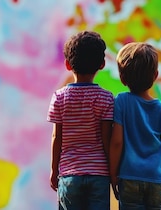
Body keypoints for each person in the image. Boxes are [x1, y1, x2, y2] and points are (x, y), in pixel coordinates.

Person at [47, 31, 114, 210]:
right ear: (102, 64)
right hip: (99, 176)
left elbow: (57, 138)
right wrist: (114, 173)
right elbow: (107, 140)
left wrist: (54, 170)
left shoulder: (59, 98)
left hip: (70, 175)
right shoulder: (106, 98)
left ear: (67, 65)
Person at [109, 42, 161, 209]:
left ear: (122, 78)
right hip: (159, 180)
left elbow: (117, 142)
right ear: (155, 76)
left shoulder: (121, 102)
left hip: (130, 178)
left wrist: (113, 175)